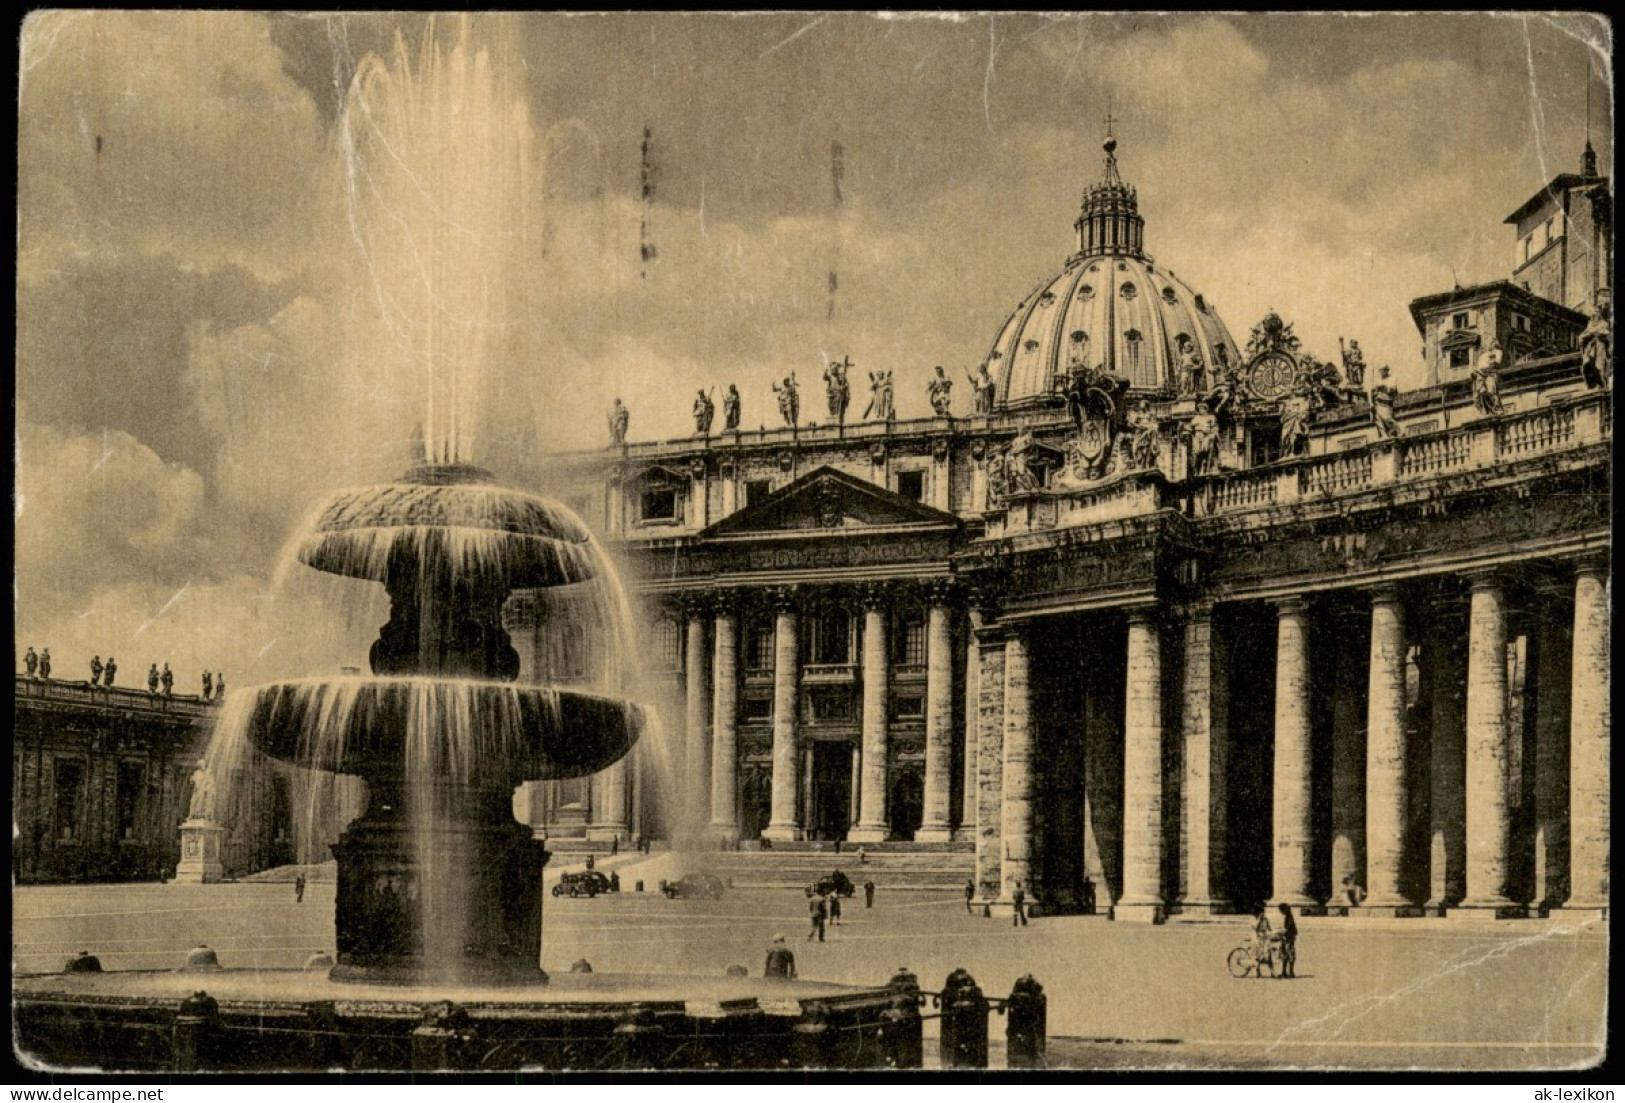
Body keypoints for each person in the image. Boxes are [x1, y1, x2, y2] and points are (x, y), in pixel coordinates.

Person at [824, 358, 851, 424]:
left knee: (838, 405)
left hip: (838, 393)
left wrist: (843, 387)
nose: (833, 371)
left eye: (834, 369)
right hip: (831, 393)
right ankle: (833, 415)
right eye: (832, 369)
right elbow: (824, 378)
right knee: (830, 405)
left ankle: (837, 415)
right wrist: (825, 371)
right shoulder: (830, 376)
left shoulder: (840, 376)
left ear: (836, 370)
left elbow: (846, 384)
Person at [1276, 903, 1298, 979]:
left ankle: (1291, 972)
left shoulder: (1289, 918)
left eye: (1281, 910)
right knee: (1284, 955)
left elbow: (1288, 929)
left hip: (1288, 939)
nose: (1280, 912)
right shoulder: (1288, 917)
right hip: (1285, 938)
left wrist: (1280, 932)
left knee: (1289, 955)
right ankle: (1284, 972)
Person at [1252, 907, 1274, 976]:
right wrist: (1258, 921)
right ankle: (1257, 972)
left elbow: (1269, 928)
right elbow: (1254, 928)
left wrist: (1274, 931)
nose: (1263, 914)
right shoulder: (1254, 919)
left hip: (1265, 937)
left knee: (1268, 954)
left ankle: (1272, 972)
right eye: (1261, 913)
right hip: (1257, 938)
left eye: (1263, 913)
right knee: (1258, 955)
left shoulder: (1266, 919)